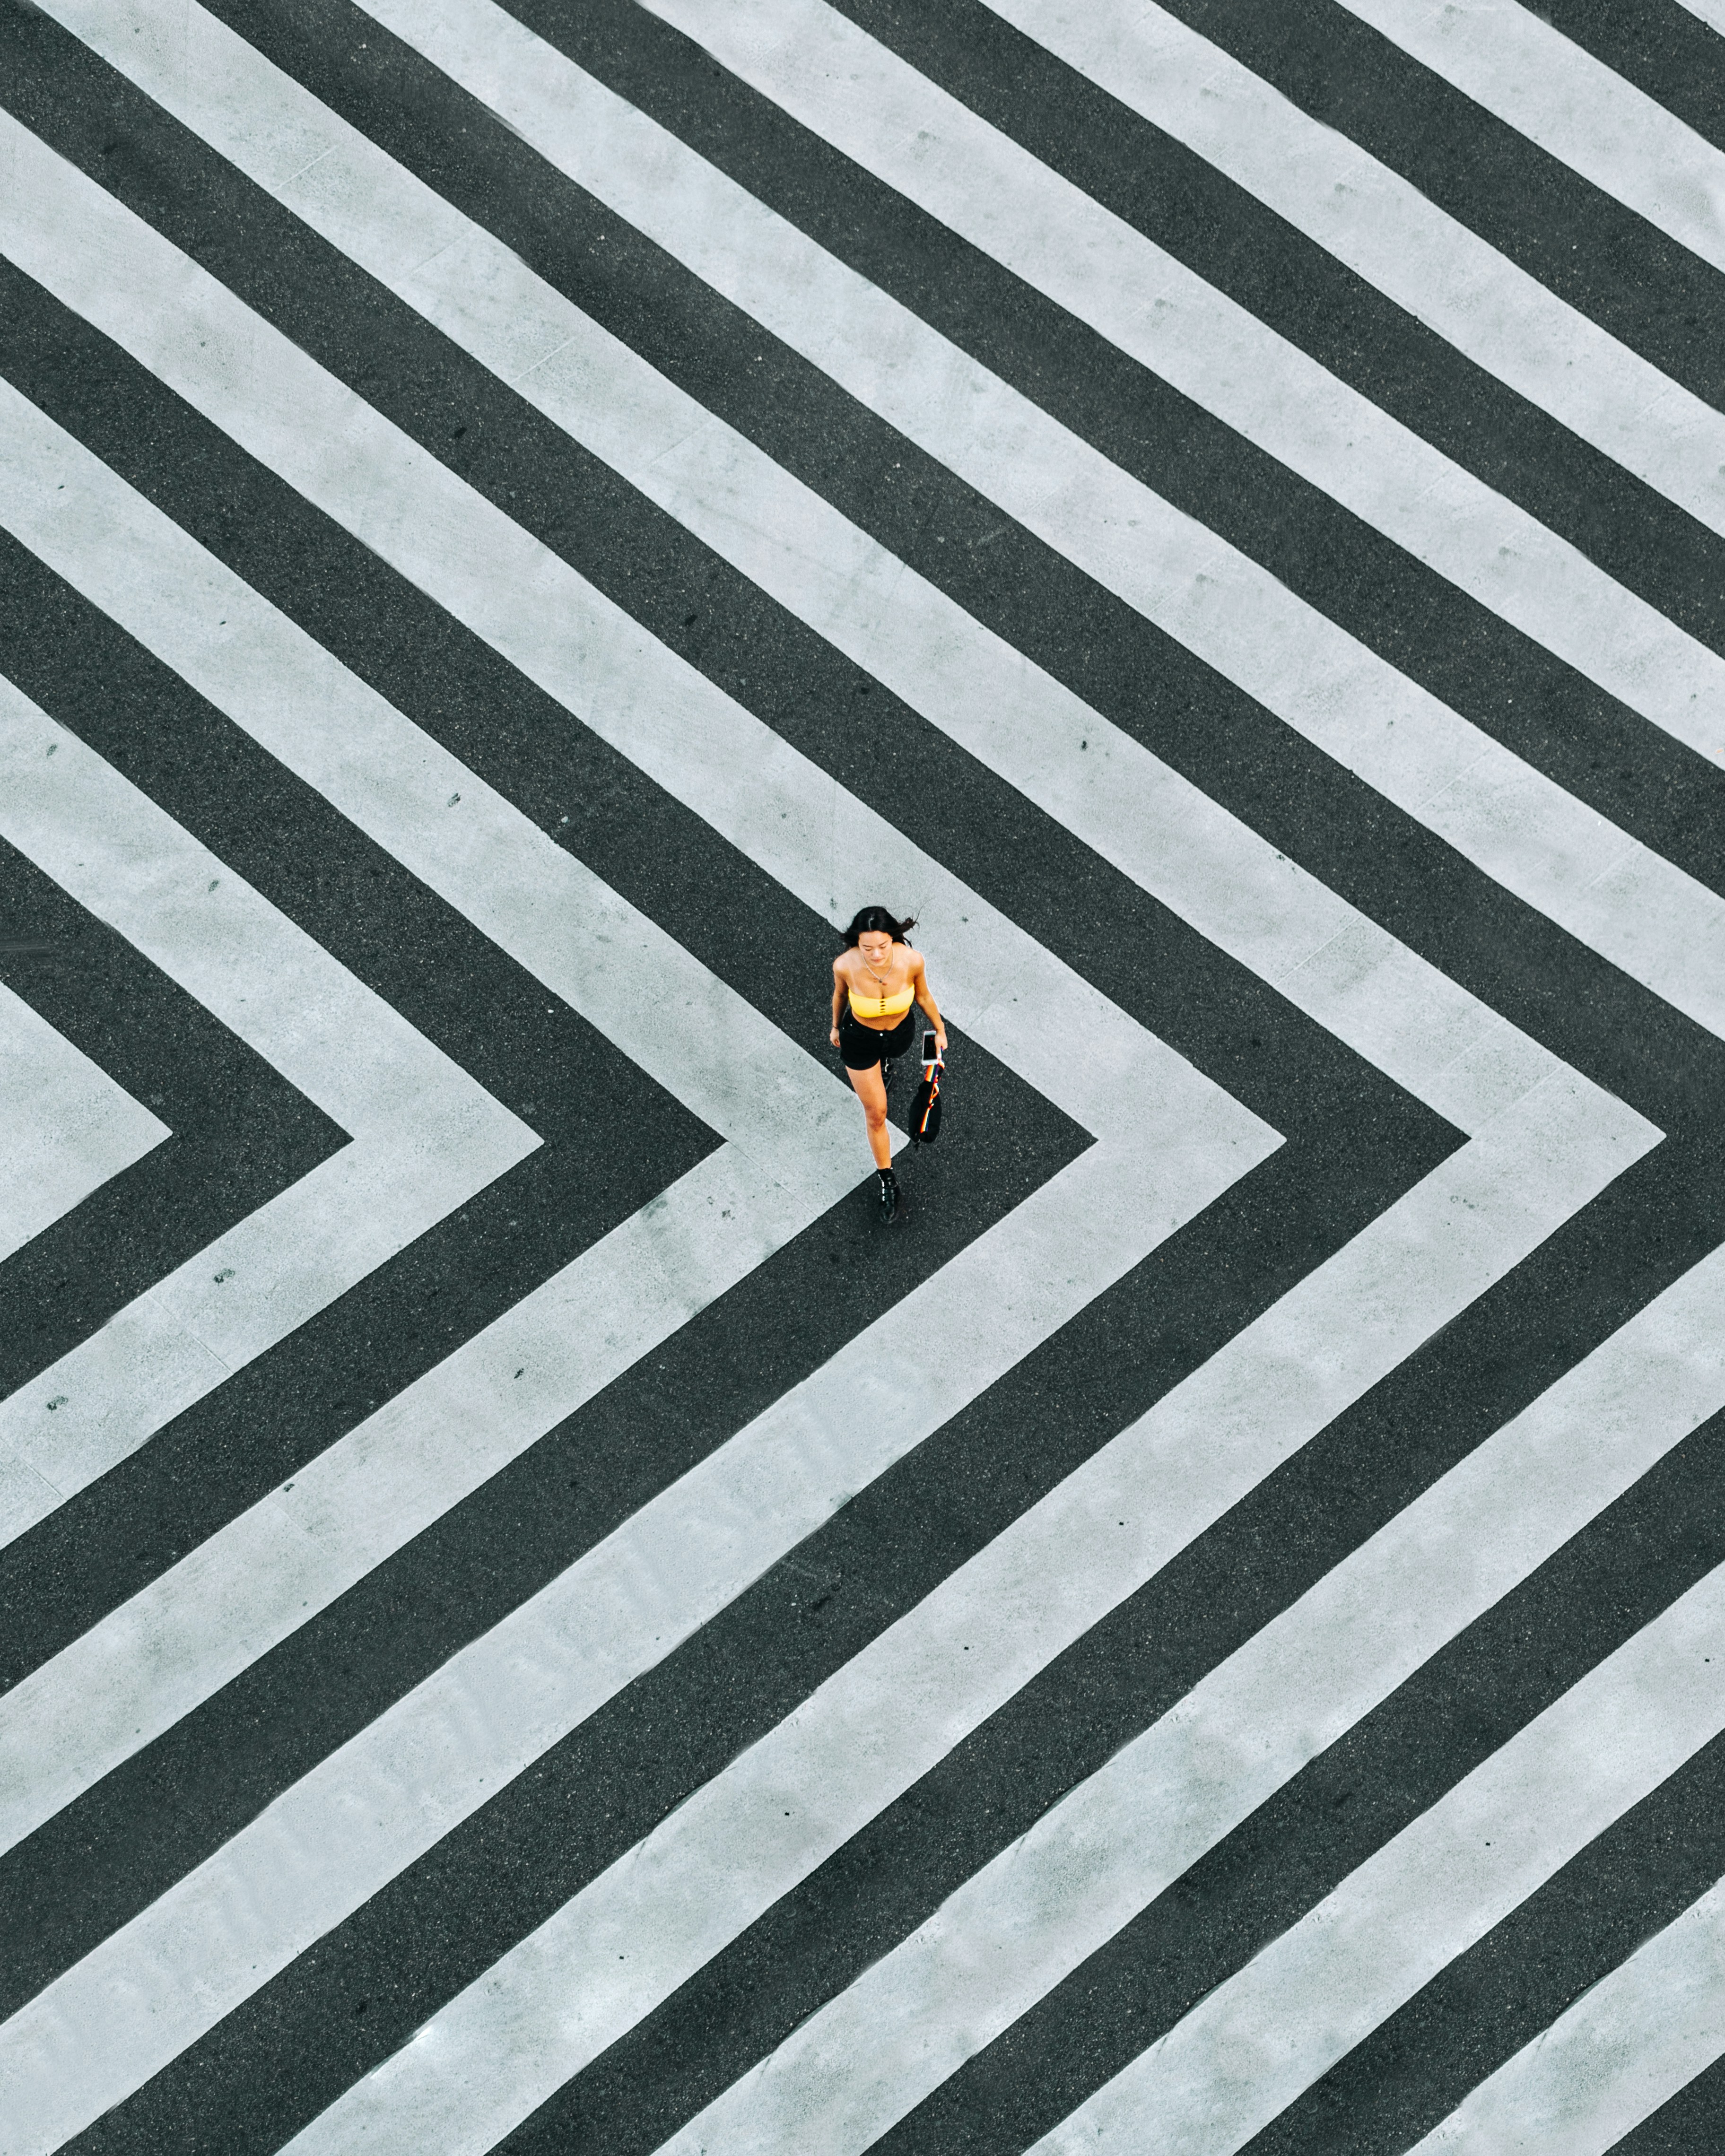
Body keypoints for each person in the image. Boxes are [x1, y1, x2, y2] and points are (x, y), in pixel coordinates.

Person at [830, 905, 948, 1221]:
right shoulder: (845, 966)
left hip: (899, 1035)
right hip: (861, 1040)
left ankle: (885, 1064)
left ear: (892, 939)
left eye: (883, 947)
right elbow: (840, 997)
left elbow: (923, 996)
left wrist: (940, 1030)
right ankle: (887, 1179)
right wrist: (835, 1027)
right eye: (868, 948)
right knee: (877, 1112)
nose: (877, 955)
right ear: (857, 942)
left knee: (891, 1056)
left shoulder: (912, 961)